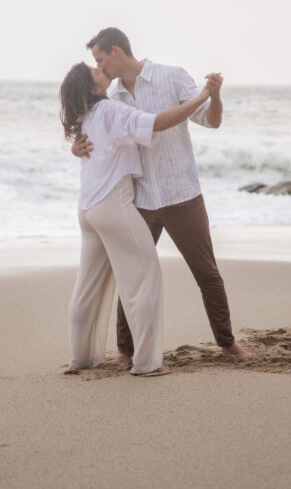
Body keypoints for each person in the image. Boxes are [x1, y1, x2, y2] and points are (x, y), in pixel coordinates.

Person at [73, 27, 252, 368]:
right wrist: (74, 146)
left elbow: (211, 122)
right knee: (133, 275)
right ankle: (125, 351)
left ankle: (227, 343)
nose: (98, 66)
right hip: (140, 199)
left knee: (207, 273)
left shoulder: (171, 77)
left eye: (99, 59)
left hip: (182, 194)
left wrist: (212, 96)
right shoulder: (111, 100)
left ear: (115, 51)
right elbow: (92, 130)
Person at [60, 61, 216, 377]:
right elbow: (157, 123)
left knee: (87, 286)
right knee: (144, 278)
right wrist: (200, 99)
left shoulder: (85, 115)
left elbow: (83, 145)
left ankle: (82, 358)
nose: (103, 69)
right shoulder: (111, 110)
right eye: (97, 71)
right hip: (113, 206)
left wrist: (74, 150)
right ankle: (146, 363)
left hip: (87, 210)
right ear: (94, 88)